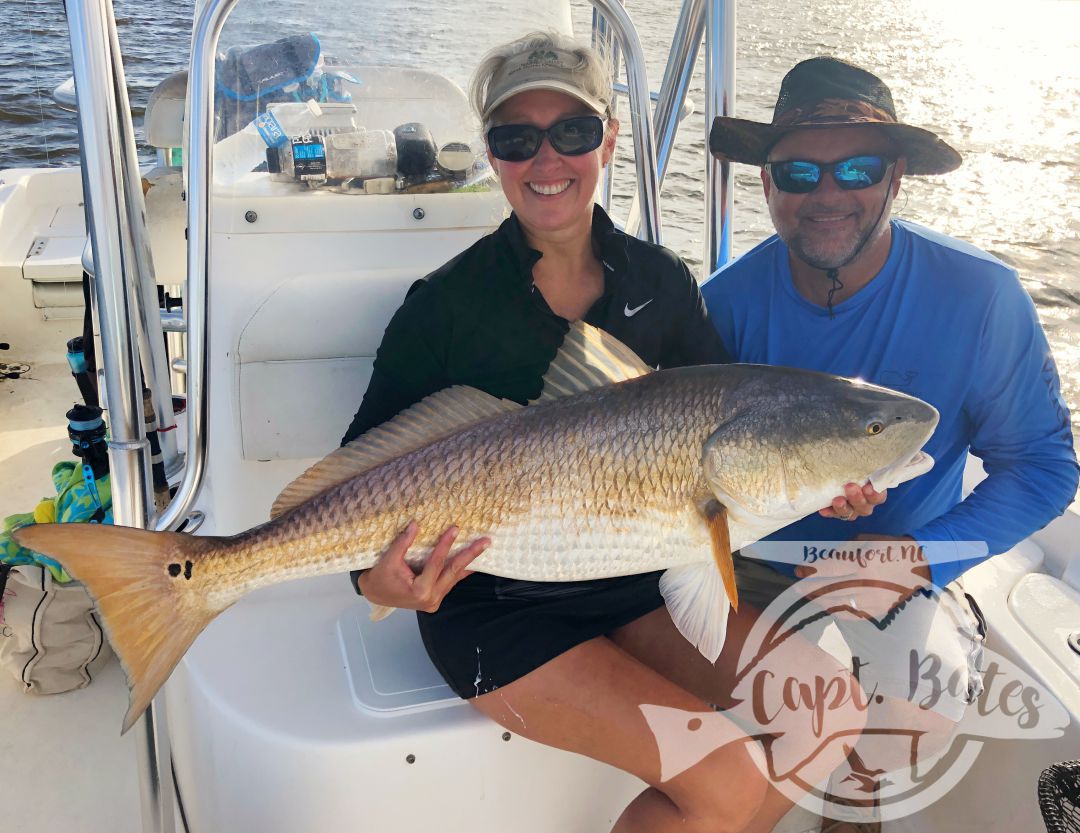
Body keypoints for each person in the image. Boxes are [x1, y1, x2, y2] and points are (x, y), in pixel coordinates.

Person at [341, 33, 883, 833]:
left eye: (573, 131)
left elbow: (726, 448)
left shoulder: (660, 283)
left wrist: (819, 482)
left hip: (636, 581)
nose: (547, 157)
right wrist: (375, 582)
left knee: (830, 708)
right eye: (516, 138)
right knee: (726, 779)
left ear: (610, 140)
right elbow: (357, 488)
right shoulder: (443, 309)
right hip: (493, 607)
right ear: (493, 154)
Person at [702, 56, 1080, 831]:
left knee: (917, 700)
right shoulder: (722, 305)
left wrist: (918, 552)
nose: (828, 194)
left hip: (903, 563)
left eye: (858, 168)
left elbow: (1042, 465)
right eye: (800, 171)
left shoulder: (980, 296)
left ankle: (853, 797)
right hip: (744, 562)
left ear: (897, 176)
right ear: (767, 184)